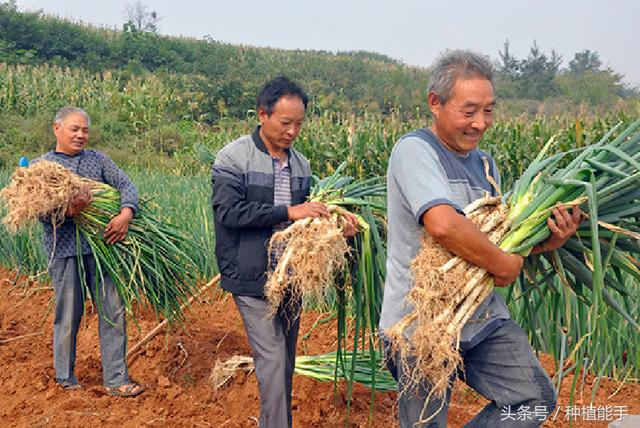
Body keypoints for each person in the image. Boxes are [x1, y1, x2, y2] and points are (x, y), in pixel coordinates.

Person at [379, 50, 581, 427]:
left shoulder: (486, 164)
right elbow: (443, 224)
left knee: (533, 399)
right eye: (468, 110)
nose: (480, 123)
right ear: (434, 103)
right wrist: (504, 265)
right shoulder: (415, 151)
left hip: (481, 318)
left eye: (488, 110)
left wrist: (543, 243)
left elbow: (498, 239)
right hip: (422, 324)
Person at [211, 76, 355, 428]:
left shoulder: (301, 165)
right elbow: (228, 212)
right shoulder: (234, 157)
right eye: (285, 123)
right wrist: (288, 211)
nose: (293, 131)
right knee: (273, 360)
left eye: (299, 124)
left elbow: (309, 222)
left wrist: (339, 225)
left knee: (285, 360)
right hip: (251, 275)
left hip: (291, 276)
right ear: (263, 114)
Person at [34, 106, 144, 397]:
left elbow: (125, 184)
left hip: (103, 247)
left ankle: (116, 379)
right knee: (69, 313)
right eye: (75, 129)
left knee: (113, 309)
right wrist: (72, 210)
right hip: (65, 250)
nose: (81, 135)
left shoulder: (98, 160)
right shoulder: (42, 167)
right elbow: (42, 214)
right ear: (57, 129)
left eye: (85, 130)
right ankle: (65, 379)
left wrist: (125, 214)